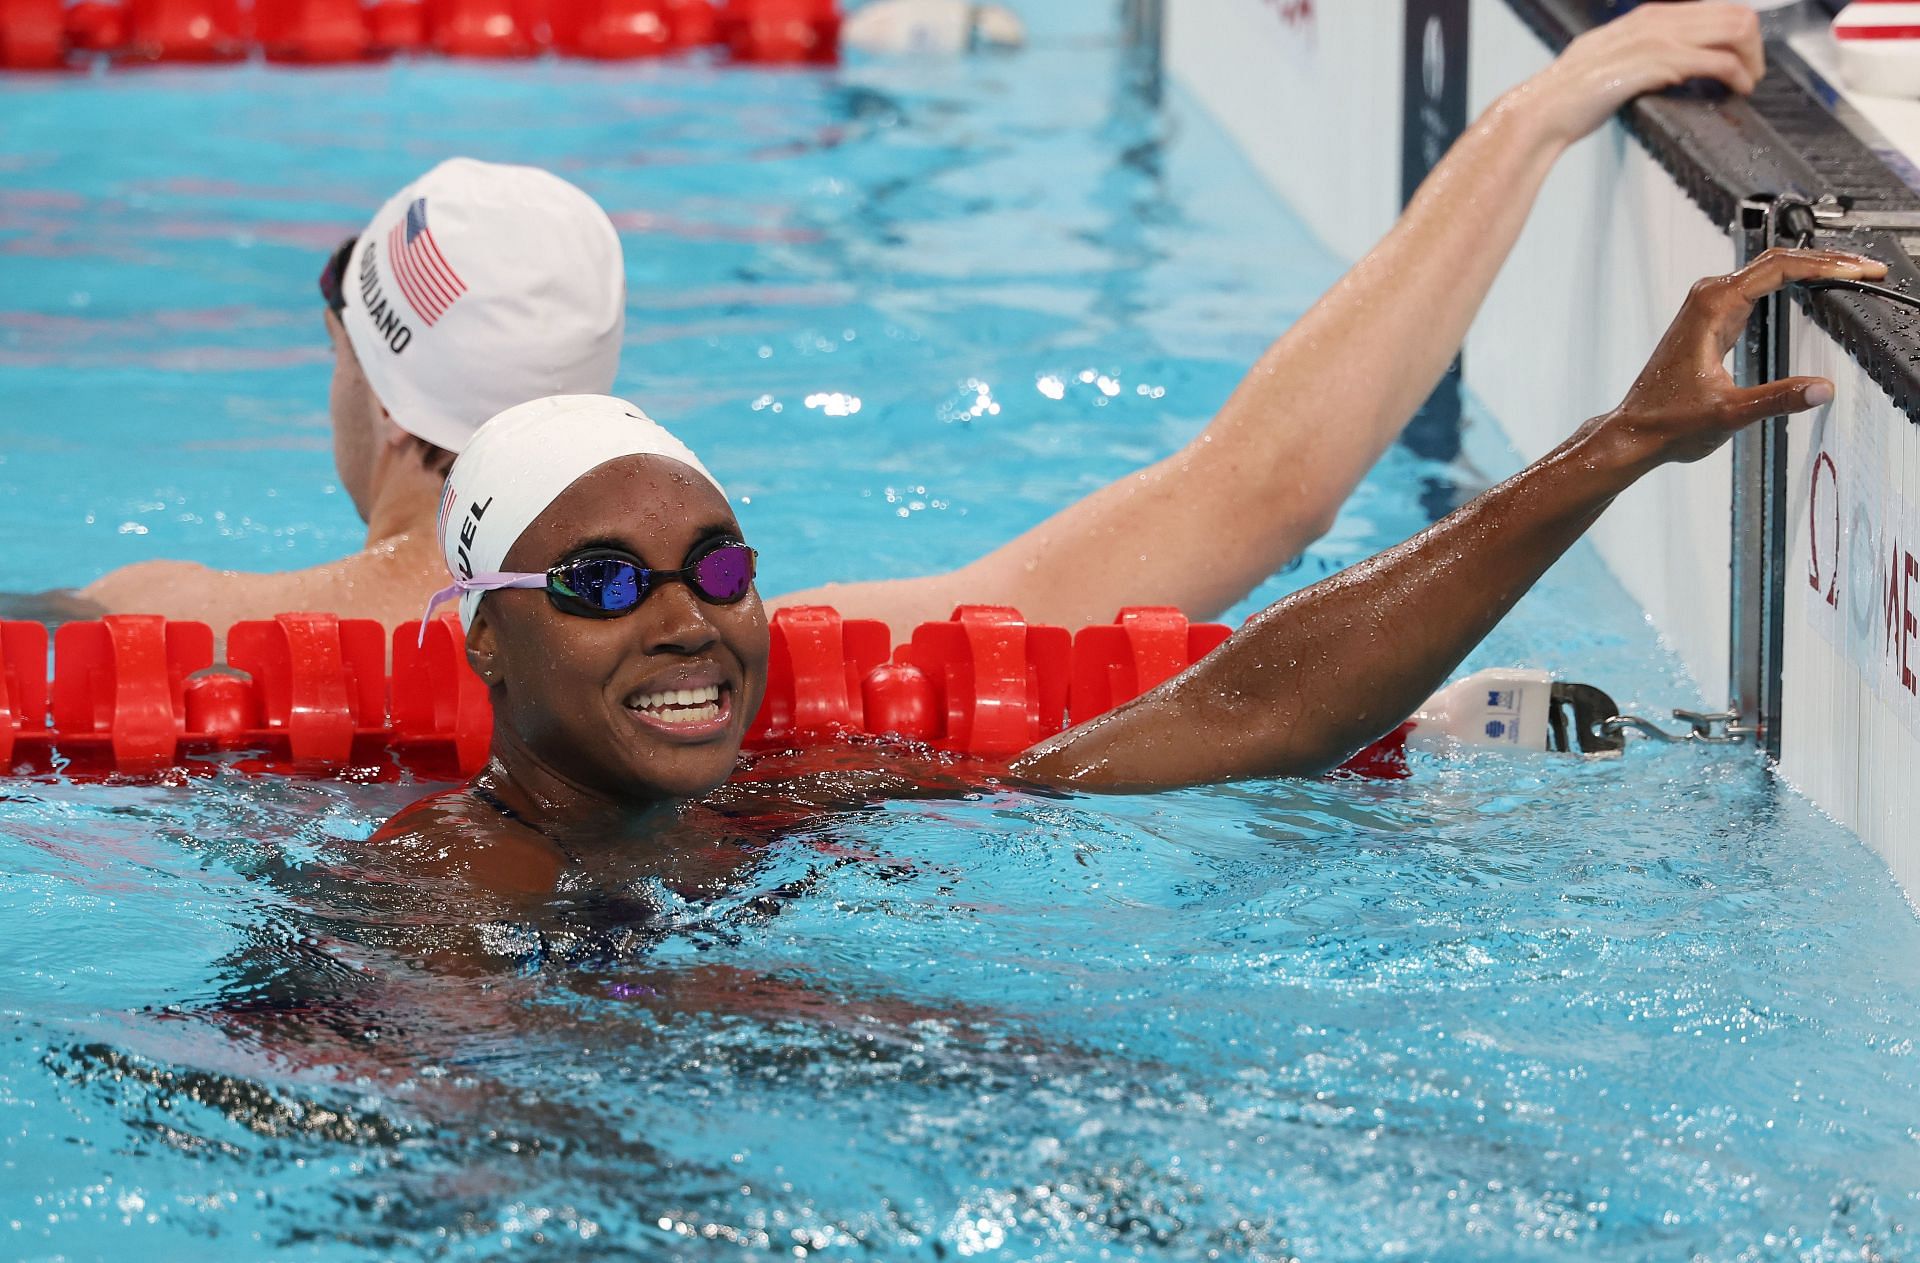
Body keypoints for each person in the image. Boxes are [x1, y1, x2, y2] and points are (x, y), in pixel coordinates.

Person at [61, 3, 1767, 639]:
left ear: (372, 369)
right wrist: (1520, 123)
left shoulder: (161, 623)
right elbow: (1256, 493)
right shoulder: (733, 662)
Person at [376, 246, 1882, 869]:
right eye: (600, 582)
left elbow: (1243, 716)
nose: (686, 620)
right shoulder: (440, 904)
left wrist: (1617, 446)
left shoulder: (792, 802)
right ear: (484, 638)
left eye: (715, 566)